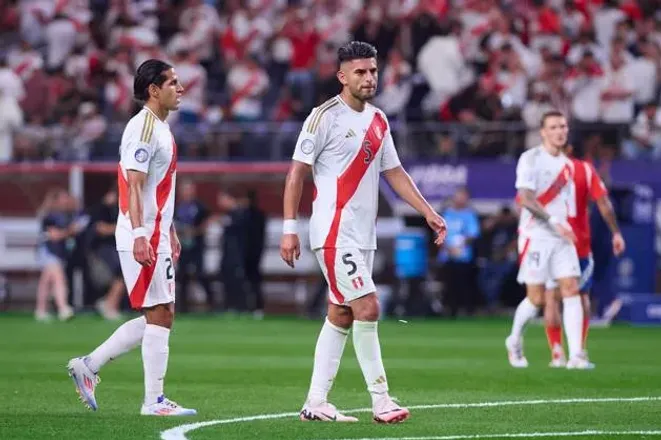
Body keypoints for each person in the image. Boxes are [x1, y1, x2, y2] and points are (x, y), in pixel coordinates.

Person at [280, 41, 447, 424]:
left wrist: (428, 211)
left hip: (361, 234)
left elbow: (395, 173)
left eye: (372, 70)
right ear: (342, 76)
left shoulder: (379, 120)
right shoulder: (323, 117)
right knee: (368, 306)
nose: (369, 77)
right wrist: (290, 229)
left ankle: (316, 402)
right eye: (360, 72)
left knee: (340, 313)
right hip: (333, 229)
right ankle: (381, 400)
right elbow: (296, 173)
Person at [67, 59, 196, 416]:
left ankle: (89, 366)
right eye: (172, 82)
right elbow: (134, 186)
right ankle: (153, 401)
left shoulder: (160, 127)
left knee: (161, 314)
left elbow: (157, 187)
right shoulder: (142, 129)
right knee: (160, 312)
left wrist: (168, 230)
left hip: (156, 231)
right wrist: (142, 234)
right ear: (154, 90)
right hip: (142, 233)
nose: (180, 88)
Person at [505, 110, 589, 370]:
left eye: (563, 126)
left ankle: (576, 355)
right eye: (553, 127)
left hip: (562, 237)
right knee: (537, 298)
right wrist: (553, 222)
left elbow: (567, 204)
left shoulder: (568, 165)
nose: (560, 131)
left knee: (571, 288)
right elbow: (526, 199)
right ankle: (514, 339)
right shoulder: (530, 159)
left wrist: (569, 227)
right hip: (536, 235)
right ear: (543, 132)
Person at [543, 144, 625, 367]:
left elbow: (531, 203)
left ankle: (557, 352)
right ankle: (578, 353)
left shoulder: (545, 169)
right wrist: (616, 232)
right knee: (580, 296)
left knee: (552, 296)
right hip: (577, 244)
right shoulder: (585, 170)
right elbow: (604, 203)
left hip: (551, 242)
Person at [437, 187, 480, 318]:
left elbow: (474, 234)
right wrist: (448, 247)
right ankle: (449, 310)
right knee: (448, 284)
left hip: (464, 256)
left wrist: (460, 244)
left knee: (464, 284)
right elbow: (439, 232)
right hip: (447, 256)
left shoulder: (469, 214)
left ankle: (466, 310)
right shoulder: (446, 214)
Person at [34, 188, 75, 322]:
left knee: (46, 281)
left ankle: (40, 310)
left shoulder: (66, 215)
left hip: (58, 252)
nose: (66, 200)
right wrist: (70, 231)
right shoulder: (50, 216)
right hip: (48, 251)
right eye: (63, 198)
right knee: (59, 278)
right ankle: (63, 308)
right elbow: (54, 236)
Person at [174, 179, 214, 313]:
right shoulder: (176, 207)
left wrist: (195, 231)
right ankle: (182, 307)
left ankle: (212, 303)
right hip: (182, 248)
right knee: (182, 276)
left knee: (200, 273)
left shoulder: (200, 207)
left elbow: (208, 222)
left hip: (197, 246)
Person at [90, 185, 124, 321]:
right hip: (103, 249)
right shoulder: (100, 209)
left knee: (122, 276)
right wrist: (121, 227)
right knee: (121, 274)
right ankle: (109, 305)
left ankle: (108, 303)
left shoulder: (119, 208)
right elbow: (100, 229)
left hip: (115, 248)